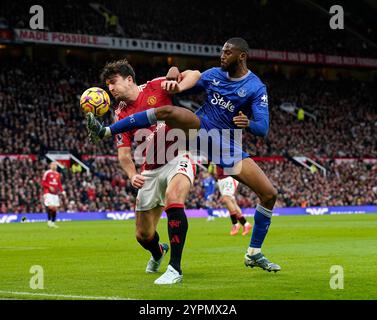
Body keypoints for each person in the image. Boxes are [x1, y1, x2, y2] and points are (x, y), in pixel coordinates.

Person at [87, 38, 281, 272]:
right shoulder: (213, 75)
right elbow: (190, 76)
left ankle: (254, 253)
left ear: (242, 56)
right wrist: (175, 75)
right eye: (221, 51)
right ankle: (106, 131)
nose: (222, 56)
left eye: (227, 52)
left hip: (225, 145)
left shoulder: (256, 87)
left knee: (269, 194)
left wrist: (248, 123)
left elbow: (263, 128)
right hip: (198, 130)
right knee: (169, 112)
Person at [92, 59, 198, 284]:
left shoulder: (156, 86)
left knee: (174, 199)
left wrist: (177, 81)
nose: (110, 89)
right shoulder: (120, 114)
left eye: (113, 82)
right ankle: (159, 252)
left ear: (129, 79)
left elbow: (195, 74)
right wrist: (132, 175)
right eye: (107, 86)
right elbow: (123, 154)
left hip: (178, 156)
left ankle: (175, 269)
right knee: (143, 236)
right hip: (149, 170)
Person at [214, 164, 252, 236]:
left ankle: (235, 224)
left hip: (230, 176)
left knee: (226, 198)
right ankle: (246, 224)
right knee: (232, 202)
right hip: (220, 179)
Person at [41, 161, 65, 228]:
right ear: (50, 166)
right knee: (50, 207)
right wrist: (49, 186)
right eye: (53, 165)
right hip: (48, 193)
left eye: (56, 165)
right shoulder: (47, 173)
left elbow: (59, 184)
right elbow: (43, 183)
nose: (55, 166)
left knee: (55, 209)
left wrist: (62, 191)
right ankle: (49, 222)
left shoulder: (58, 174)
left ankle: (53, 222)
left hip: (55, 194)